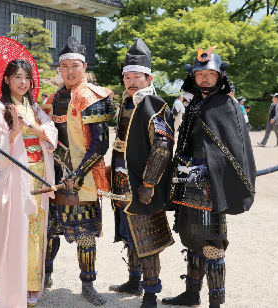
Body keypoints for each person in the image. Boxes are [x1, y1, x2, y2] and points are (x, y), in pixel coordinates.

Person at [162, 47, 256, 308]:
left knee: (211, 243)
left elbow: (233, 150)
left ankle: (216, 301)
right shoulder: (193, 103)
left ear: (219, 76)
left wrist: (207, 168)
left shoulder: (227, 105)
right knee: (190, 239)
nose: (204, 78)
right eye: (200, 73)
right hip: (185, 182)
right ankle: (191, 295)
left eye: (210, 74)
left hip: (209, 186)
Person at [0, 59, 58, 308]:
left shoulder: (33, 107)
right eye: (17, 77)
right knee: (17, 228)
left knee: (35, 229)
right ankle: (14, 286)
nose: (23, 82)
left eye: (26, 78)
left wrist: (32, 126)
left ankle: (32, 284)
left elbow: (50, 133)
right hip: (15, 177)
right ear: (6, 80)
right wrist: (13, 133)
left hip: (38, 175)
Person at [43, 36, 112, 306]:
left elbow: (100, 143)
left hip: (84, 175)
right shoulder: (52, 98)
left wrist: (78, 172)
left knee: (85, 234)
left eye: (75, 66)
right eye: (65, 67)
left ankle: (88, 283)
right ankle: (44, 275)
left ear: (84, 67)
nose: (70, 71)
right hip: (53, 174)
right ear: (59, 69)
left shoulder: (93, 96)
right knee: (49, 231)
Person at [107, 39, 175, 308]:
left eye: (137, 76)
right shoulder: (126, 103)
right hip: (123, 179)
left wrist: (149, 182)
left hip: (143, 181)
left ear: (149, 77)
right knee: (128, 233)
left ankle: (150, 294)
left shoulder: (154, 105)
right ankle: (134, 280)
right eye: (127, 76)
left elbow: (162, 147)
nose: (131, 81)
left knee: (146, 238)